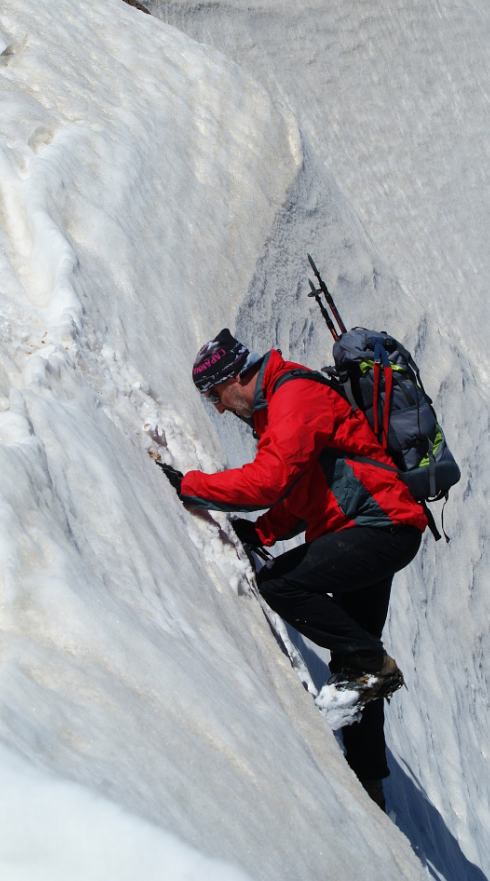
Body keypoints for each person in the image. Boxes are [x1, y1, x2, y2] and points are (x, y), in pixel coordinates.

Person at [160, 328, 427, 811]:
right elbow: (301, 490)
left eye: (216, 396)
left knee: (280, 584)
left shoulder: (295, 395)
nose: (219, 408)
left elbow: (270, 481)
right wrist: (261, 533)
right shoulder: (278, 408)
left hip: (379, 526)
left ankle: (374, 665)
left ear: (236, 377)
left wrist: (192, 487)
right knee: (354, 667)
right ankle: (370, 785)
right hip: (371, 529)